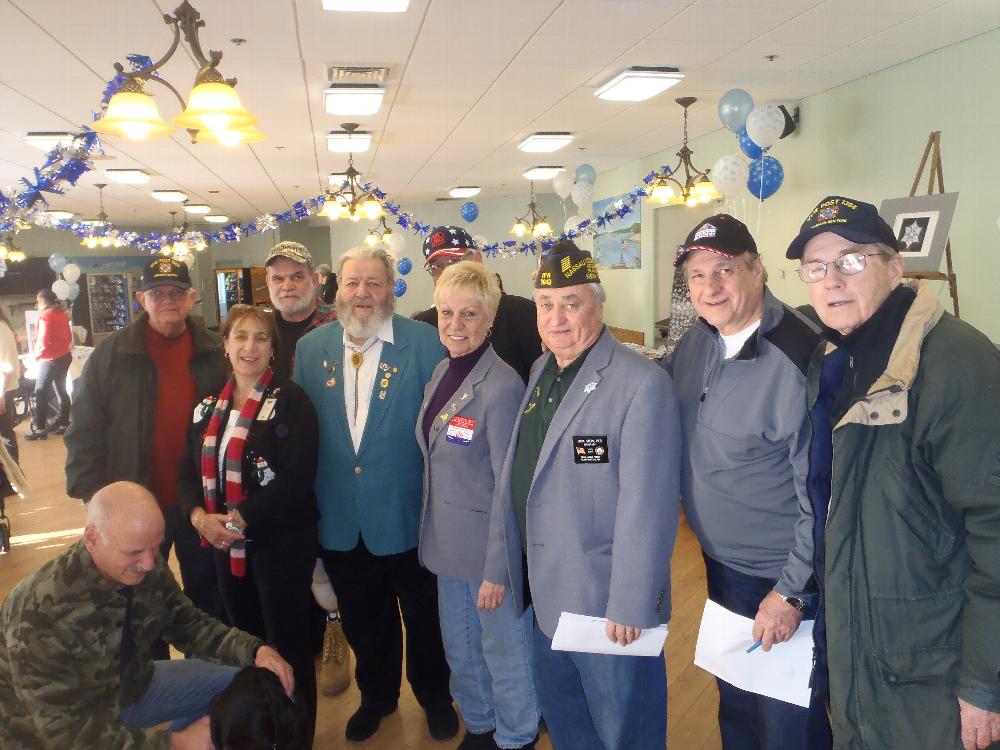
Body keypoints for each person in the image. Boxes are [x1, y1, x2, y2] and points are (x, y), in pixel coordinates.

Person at [786, 195, 1000, 750]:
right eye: (816, 267)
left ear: (895, 265)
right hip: (868, 654)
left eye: (852, 259)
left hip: (935, 669)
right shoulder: (834, 361)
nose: (832, 279)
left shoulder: (955, 363)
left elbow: (995, 530)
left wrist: (985, 682)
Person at [484, 240, 681, 749]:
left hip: (607, 605)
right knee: (569, 721)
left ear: (599, 304)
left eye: (572, 303)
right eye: (547, 305)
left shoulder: (641, 384)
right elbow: (520, 475)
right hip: (546, 596)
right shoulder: (540, 371)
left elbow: (649, 508)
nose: (557, 318)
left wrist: (632, 603)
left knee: (625, 730)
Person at [666, 214, 831, 749]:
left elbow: (821, 492)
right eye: (696, 275)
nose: (709, 287)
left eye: (725, 269)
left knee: (787, 722)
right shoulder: (697, 342)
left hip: (780, 575)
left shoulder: (799, 356)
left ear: (758, 271)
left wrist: (792, 592)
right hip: (721, 566)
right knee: (736, 702)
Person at [293, 244, 456, 743]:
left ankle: (434, 696)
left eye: (374, 283)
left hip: (410, 513)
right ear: (336, 289)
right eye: (352, 283)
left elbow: (446, 430)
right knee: (366, 619)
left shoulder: (425, 343)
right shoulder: (310, 349)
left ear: (391, 290)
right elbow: (301, 436)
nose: (362, 293)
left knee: (426, 618)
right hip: (341, 518)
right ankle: (378, 698)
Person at [0, 481, 294, 750]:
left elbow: (190, 626)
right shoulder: (38, 613)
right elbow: (67, 737)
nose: (150, 563)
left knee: (244, 688)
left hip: (131, 687)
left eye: (156, 547)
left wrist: (256, 650)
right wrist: (176, 743)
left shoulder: (146, 566)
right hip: (46, 731)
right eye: (135, 553)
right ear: (92, 539)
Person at [178, 305, 321, 744]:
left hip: (279, 548)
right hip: (225, 547)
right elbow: (186, 474)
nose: (249, 347)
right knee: (246, 645)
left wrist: (240, 518)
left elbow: (299, 477)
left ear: (272, 348)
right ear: (225, 345)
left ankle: (295, 735)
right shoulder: (207, 408)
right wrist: (201, 519)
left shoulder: (291, 402)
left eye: (260, 338)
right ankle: (260, 732)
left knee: (287, 647)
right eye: (240, 336)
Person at [65, 256, 226, 631]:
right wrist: (93, 496)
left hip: (198, 502)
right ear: (141, 298)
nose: (168, 300)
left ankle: (211, 679)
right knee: (137, 600)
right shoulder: (112, 354)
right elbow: (84, 427)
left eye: (177, 292)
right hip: (134, 503)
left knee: (209, 594)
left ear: (192, 298)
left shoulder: (215, 352)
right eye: (157, 292)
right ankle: (149, 680)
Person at [416, 262, 538, 750]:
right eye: (447, 312)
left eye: (469, 314)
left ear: (490, 318)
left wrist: (497, 569)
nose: (455, 324)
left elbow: (509, 486)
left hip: (490, 556)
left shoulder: (502, 386)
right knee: (462, 652)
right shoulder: (442, 372)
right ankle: (482, 724)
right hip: (447, 549)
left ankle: (517, 734)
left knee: (505, 652)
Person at [413, 226, 542, 383]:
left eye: (454, 261)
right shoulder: (423, 327)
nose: (447, 272)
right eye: (437, 266)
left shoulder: (525, 315)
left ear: (478, 259)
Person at [264, 242, 336, 380]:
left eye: (297, 277)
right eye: (278, 278)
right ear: (268, 282)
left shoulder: (339, 325)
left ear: (314, 280)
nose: (287, 286)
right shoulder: (260, 328)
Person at [25, 288, 72, 440]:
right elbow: (69, 337)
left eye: (38, 301)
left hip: (50, 359)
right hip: (64, 356)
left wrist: (35, 357)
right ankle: (64, 425)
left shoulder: (45, 317)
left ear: (42, 301)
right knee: (61, 391)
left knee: (40, 392)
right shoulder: (63, 314)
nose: (37, 304)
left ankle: (40, 430)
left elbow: (43, 342)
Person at [0, 306, 23, 553]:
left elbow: (5, 366)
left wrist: (1, 396)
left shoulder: (2, 328)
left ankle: (10, 480)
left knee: (4, 440)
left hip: (2, 392)